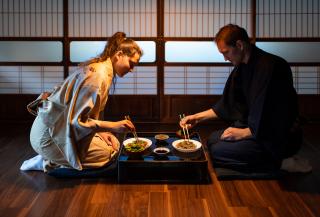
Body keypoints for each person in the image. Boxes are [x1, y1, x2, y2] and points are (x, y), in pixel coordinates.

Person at [180, 24, 311, 173]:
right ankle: (269, 159)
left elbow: (276, 117)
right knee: (212, 140)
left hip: (278, 137)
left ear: (240, 45)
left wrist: (244, 133)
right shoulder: (242, 67)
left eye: (226, 52)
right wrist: (197, 117)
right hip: (255, 129)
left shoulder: (272, 67)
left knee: (217, 151)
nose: (225, 59)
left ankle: (282, 162)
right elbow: (229, 105)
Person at [24, 32, 142, 172]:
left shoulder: (102, 69)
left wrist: (103, 132)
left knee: (114, 142)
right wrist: (112, 125)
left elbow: (84, 116)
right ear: (119, 55)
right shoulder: (98, 75)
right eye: (131, 63)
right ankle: (48, 161)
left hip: (60, 127)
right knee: (108, 153)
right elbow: (76, 121)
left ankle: (55, 157)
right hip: (50, 135)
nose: (132, 69)